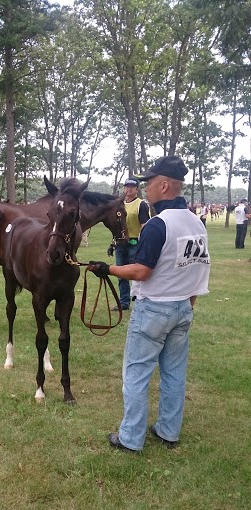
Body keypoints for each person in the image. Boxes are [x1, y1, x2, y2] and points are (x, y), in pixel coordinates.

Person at [90, 156, 210, 452]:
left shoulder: (158, 225)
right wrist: (187, 304)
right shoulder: (197, 223)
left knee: (136, 374)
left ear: (165, 185)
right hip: (183, 307)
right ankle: (168, 431)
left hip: (153, 309)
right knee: (174, 374)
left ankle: (130, 438)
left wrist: (109, 269)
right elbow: (198, 268)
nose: (146, 191)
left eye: (150, 184)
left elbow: (142, 271)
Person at [112, 178, 150, 311]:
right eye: (126, 187)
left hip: (135, 242)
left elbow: (145, 226)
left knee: (136, 274)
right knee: (121, 273)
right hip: (120, 243)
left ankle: (140, 300)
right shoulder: (119, 204)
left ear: (136, 189)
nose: (129, 189)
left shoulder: (141, 205)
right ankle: (124, 302)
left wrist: (143, 243)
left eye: (132, 187)